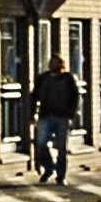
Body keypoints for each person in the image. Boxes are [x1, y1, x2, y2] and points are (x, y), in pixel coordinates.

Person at [28, 54, 79, 186]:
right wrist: (32, 114)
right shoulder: (43, 78)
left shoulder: (68, 79)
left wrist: (71, 115)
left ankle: (61, 175)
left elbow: (75, 97)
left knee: (61, 147)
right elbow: (34, 96)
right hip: (46, 115)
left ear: (62, 65)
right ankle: (49, 167)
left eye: (57, 63)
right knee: (41, 143)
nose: (54, 65)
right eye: (52, 63)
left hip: (63, 117)